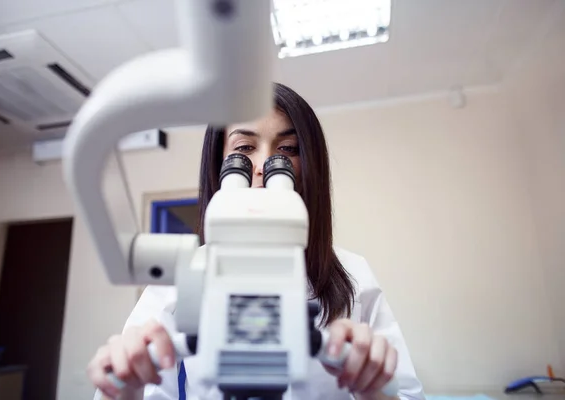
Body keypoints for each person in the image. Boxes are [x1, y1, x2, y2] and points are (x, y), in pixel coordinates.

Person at [87, 83, 425, 400]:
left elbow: (407, 393)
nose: (263, 164)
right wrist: (122, 388)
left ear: (309, 165)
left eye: (288, 150)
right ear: (218, 167)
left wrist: (377, 391)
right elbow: (136, 387)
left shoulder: (353, 273)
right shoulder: (185, 274)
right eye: (244, 149)